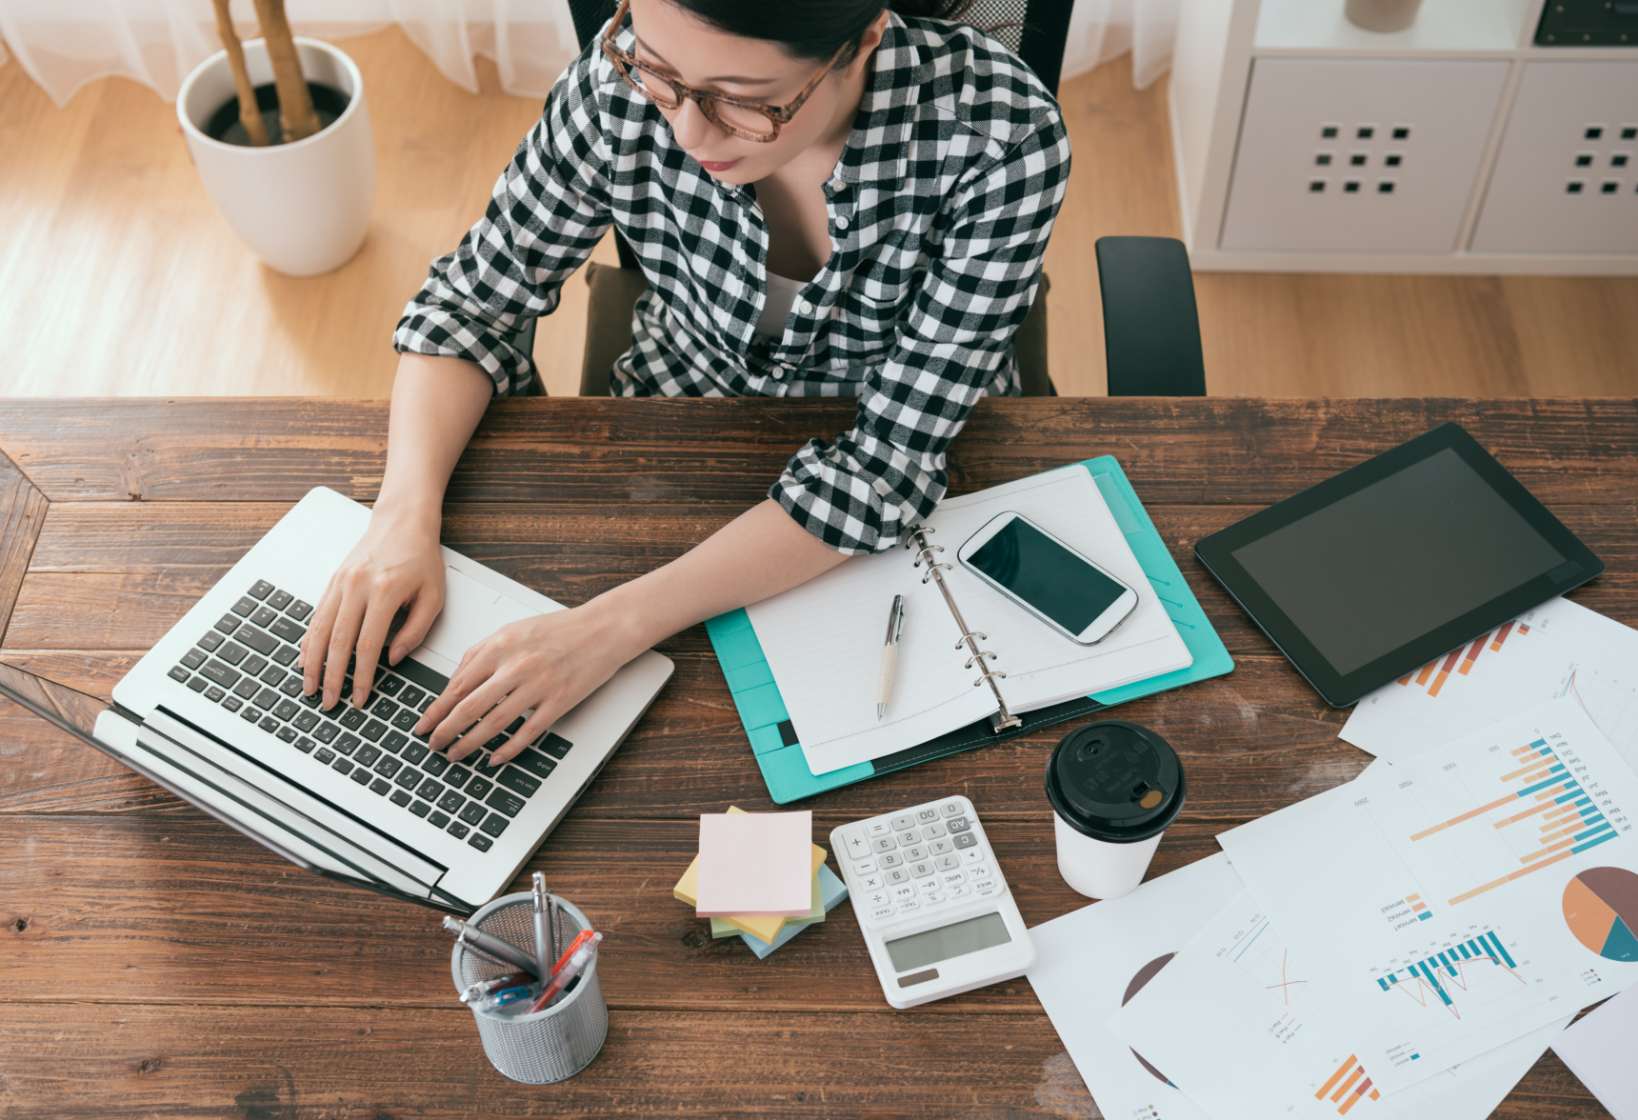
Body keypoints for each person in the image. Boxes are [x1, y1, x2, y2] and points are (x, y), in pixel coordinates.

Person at [299, 0, 1071, 766]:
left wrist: (609, 629)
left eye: (744, 99)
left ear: (863, 38)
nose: (689, 132)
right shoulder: (616, 88)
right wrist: (399, 518)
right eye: (662, 74)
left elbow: (885, 466)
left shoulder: (1001, 139)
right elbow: (471, 304)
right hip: (678, 421)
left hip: (909, 492)